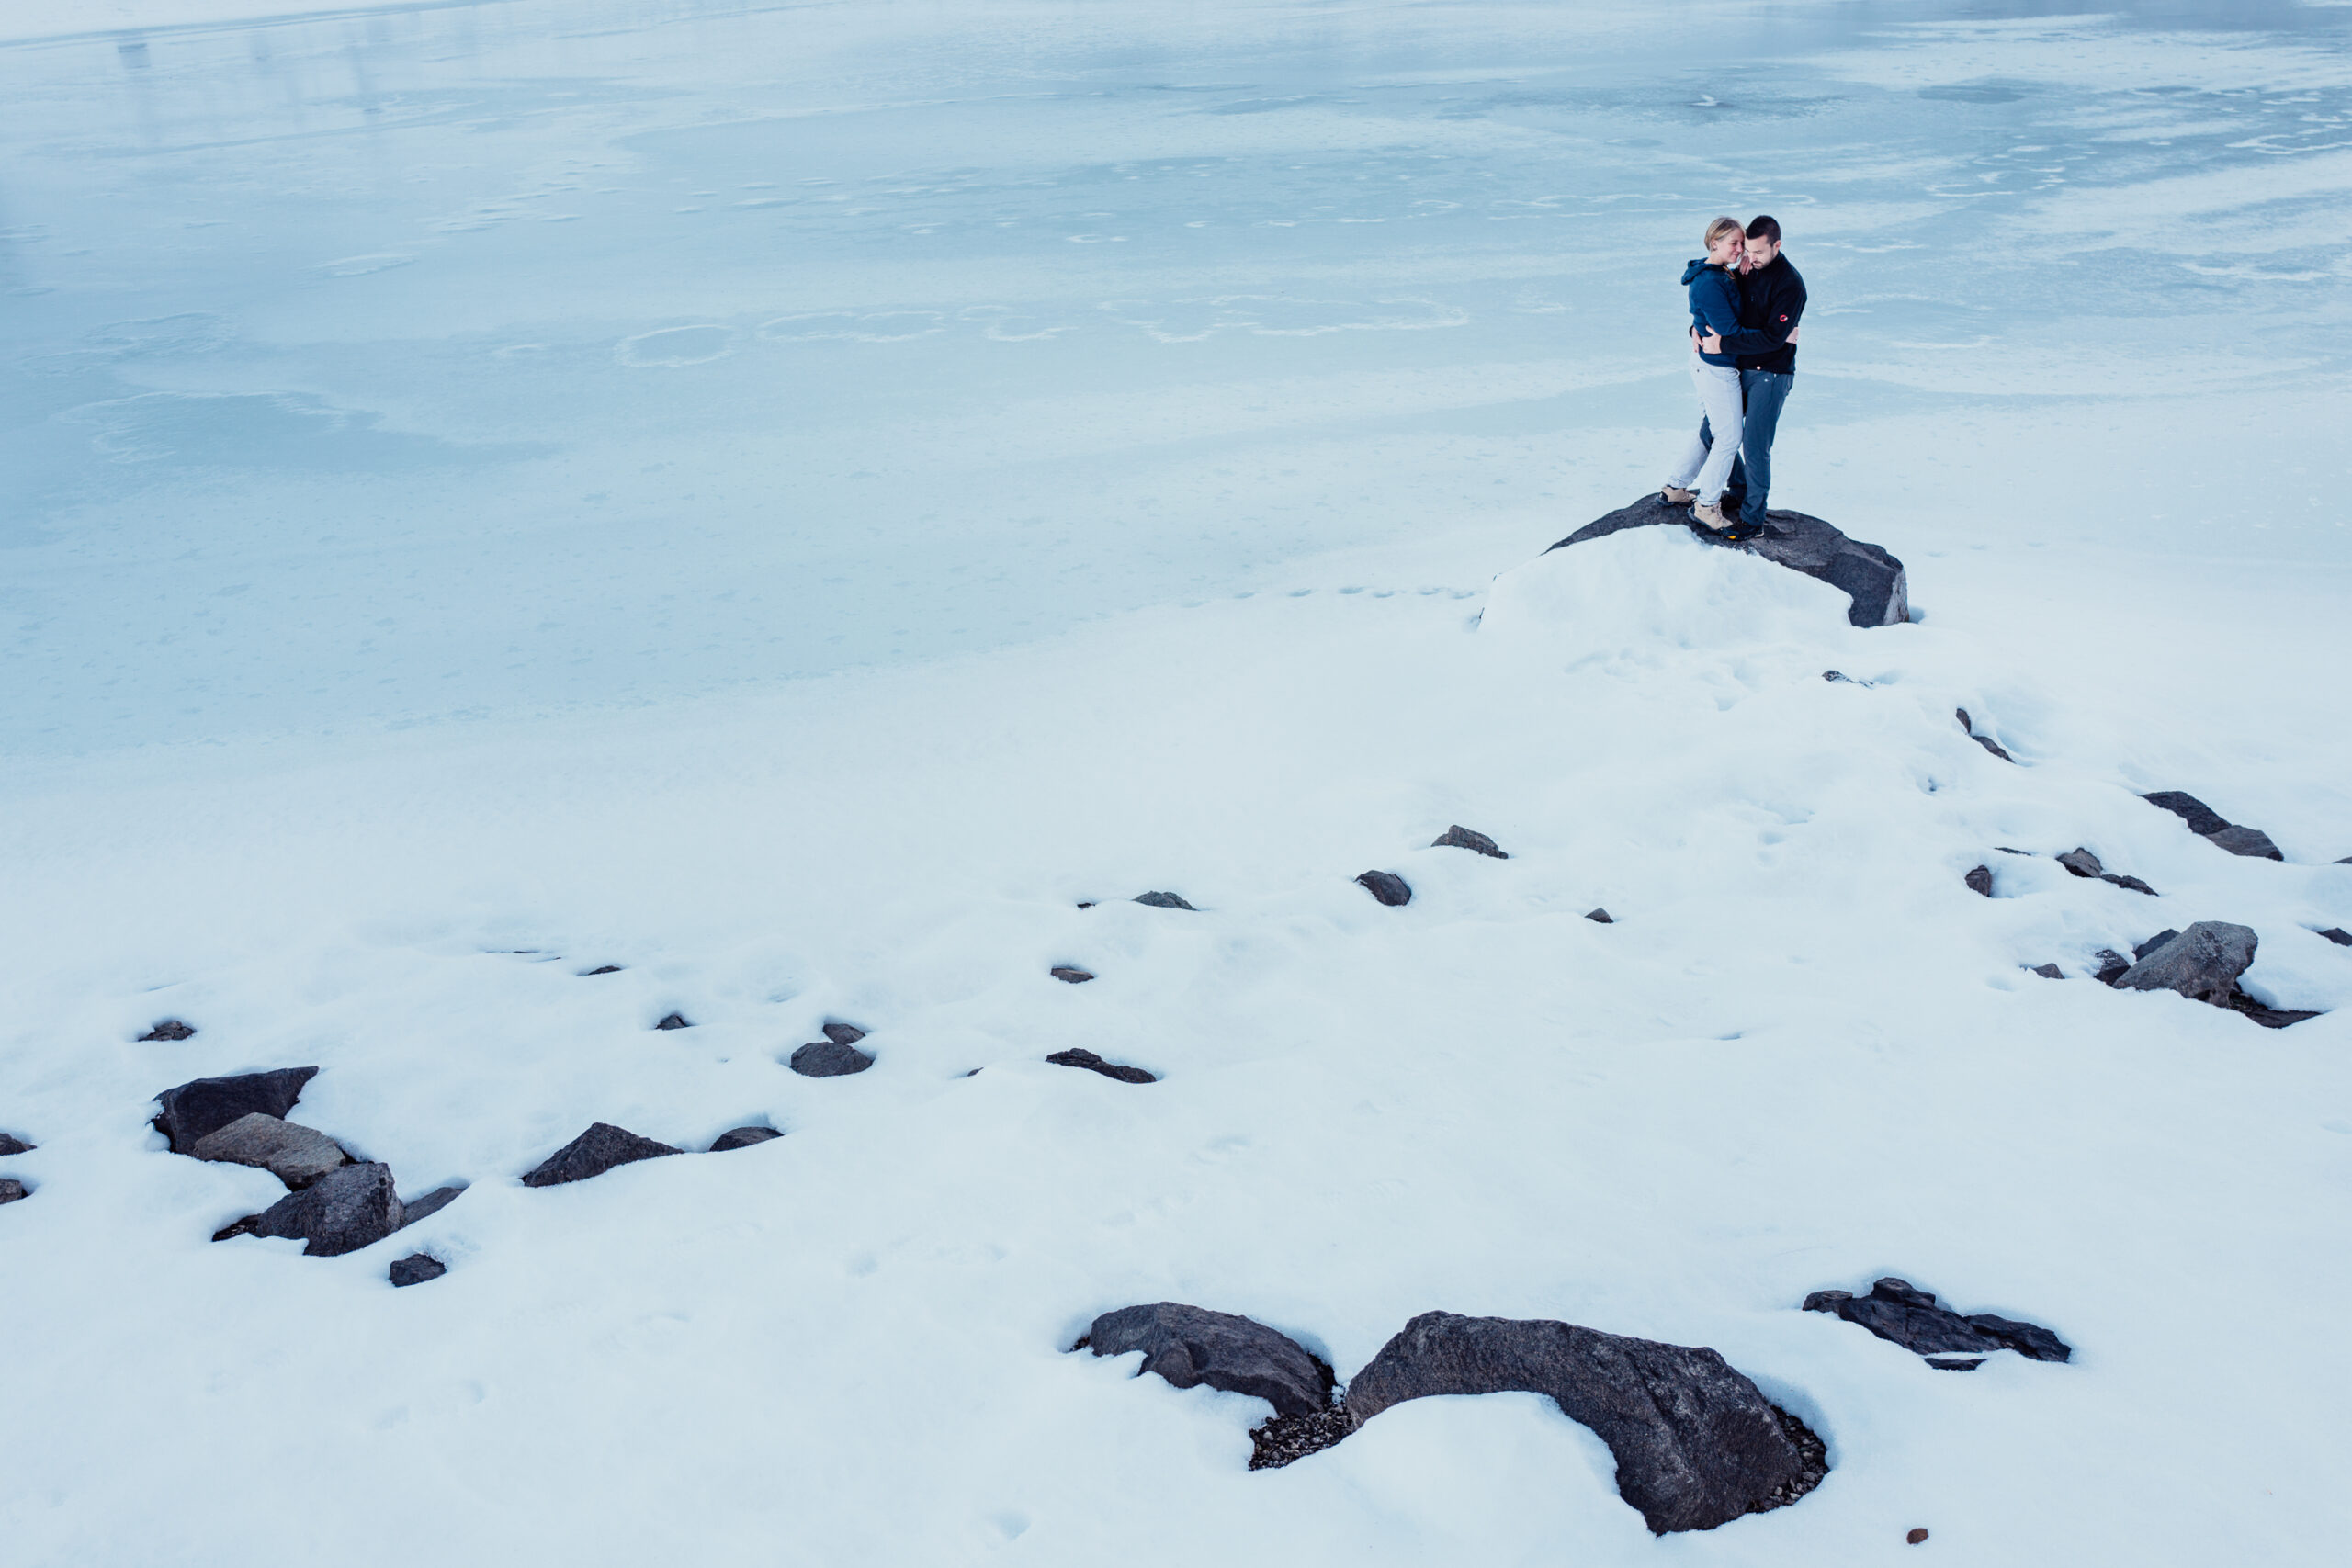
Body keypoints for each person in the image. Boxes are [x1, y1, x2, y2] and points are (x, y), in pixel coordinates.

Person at [1696, 215, 1805, 527]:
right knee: (1712, 432)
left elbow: (1772, 339)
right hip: (1740, 367)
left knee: (1756, 448)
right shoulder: (1744, 272)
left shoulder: (1791, 285)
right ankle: (1741, 490)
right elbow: (1718, 308)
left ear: (1777, 245)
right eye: (1747, 250)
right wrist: (1695, 328)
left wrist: (1725, 344)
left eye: (1758, 252)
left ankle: (1752, 520)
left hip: (1772, 374)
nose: (1751, 257)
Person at [1660, 217, 1747, 533]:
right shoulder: (1710, 281)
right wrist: (1776, 335)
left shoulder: (1720, 273)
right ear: (1714, 244)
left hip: (1710, 363)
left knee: (1711, 430)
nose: (1740, 249)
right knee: (1729, 437)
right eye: (1733, 243)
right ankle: (1707, 505)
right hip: (1717, 368)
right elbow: (1729, 330)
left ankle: (1675, 488)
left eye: (1742, 243)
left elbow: (1709, 317)